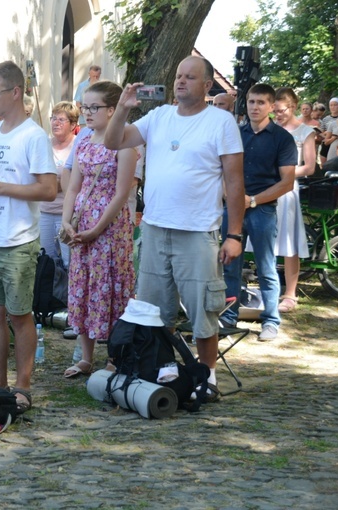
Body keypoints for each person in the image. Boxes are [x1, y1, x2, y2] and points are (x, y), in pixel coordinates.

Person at [104, 56, 245, 401]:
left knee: (203, 310)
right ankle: (163, 371)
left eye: (190, 77)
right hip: (154, 229)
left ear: (207, 85)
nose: (181, 81)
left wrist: (234, 235)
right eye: (178, 75)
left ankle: (207, 377)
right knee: (154, 310)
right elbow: (112, 141)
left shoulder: (221, 122)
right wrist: (123, 107)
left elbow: (234, 180)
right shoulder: (158, 116)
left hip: (198, 232)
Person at [0, 61, 57, 413]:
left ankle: (23, 386)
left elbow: (49, 190)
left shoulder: (33, 136)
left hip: (17, 240)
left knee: (20, 315)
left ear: (15, 92)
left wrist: (2, 187)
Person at [62, 81, 137, 378]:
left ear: (112, 110)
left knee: (111, 286)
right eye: (85, 107)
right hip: (82, 222)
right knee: (84, 284)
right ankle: (85, 356)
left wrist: (96, 229)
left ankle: (115, 355)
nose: (87, 113)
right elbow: (72, 188)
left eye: (94, 107)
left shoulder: (127, 143)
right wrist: (67, 221)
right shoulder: (82, 141)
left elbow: (121, 195)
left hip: (110, 227)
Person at [221, 84, 296, 343]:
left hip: (262, 208)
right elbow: (222, 170)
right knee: (229, 264)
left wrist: (251, 200)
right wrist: (230, 197)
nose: (255, 107)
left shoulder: (282, 138)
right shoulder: (236, 134)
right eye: (251, 102)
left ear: (272, 106)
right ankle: (228, 317)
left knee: (265, 266)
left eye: (261, 102)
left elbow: (287, 183)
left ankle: (271, 321)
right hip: (232, 208)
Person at [272, 87, 317, 313]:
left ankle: (290, 293)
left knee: (290, 241)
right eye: (275, 111)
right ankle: (268, 289)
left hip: (288, 189)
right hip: (266, 188)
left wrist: (285, 172)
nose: (277, 115)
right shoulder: (270, 129)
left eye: (281, 111)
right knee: (266, 239)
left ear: (292, 107)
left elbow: (309, 166)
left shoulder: (305, 131)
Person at [41, 101, 79, 268]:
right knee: (46, 261)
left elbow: (78, 180)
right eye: (53, 118)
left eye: (61, 119)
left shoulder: (79, 145)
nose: (55, 123)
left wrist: (54, 184)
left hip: (69, 214)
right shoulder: (43, 144)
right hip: (45, 212)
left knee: (69, 261)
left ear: (73, 124)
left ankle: (69, 294)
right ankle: (50, 295)